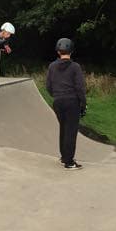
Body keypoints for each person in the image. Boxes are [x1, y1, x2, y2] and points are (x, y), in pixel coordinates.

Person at [46, 37, 86, 170]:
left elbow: (48, 86)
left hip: (58, 102)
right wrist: (83, 104)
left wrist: (56, 96)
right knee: (71, 131)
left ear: (58, 52)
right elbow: (80, 87)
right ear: (72, 51)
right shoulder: (75, 67)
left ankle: (64, 157)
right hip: (72, 102)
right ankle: (69, 162)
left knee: (63, 129)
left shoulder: (52, 66)